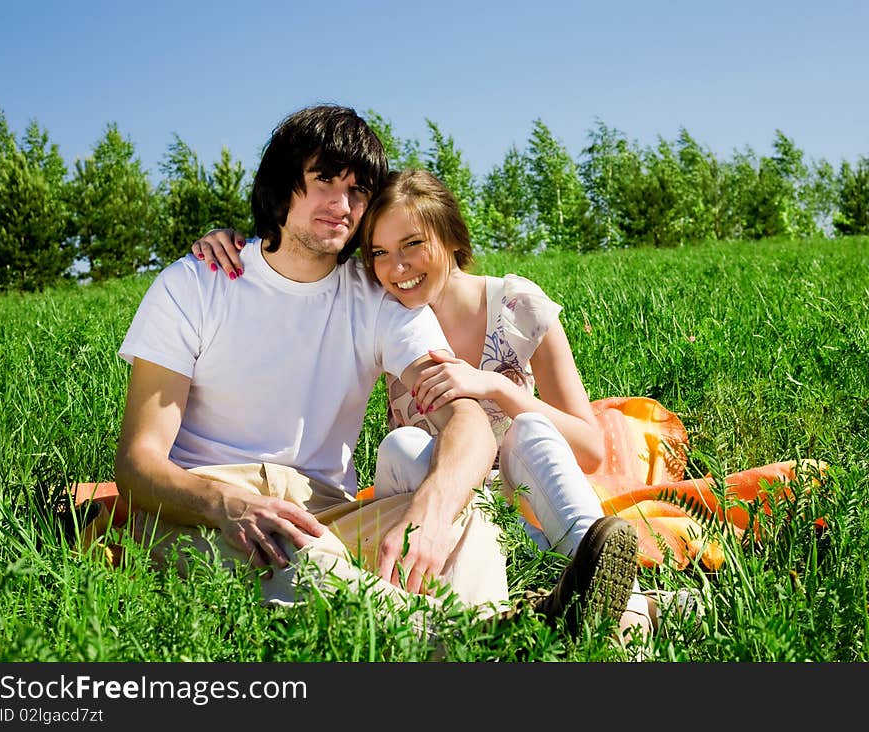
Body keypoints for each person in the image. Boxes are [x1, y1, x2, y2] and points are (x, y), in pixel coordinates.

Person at [117, 105, 632, 649]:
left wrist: (430, 512)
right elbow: (137, 461)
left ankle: (490, 641)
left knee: (466, 517)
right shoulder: (196, 283)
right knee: (298, 551)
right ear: (281, 185)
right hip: (207, 509)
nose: (342, 206)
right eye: (323, 182)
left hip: (327, 509)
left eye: (359, 191)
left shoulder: (378, 298)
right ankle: (501, 644)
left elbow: (467, 421)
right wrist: (226, 505)